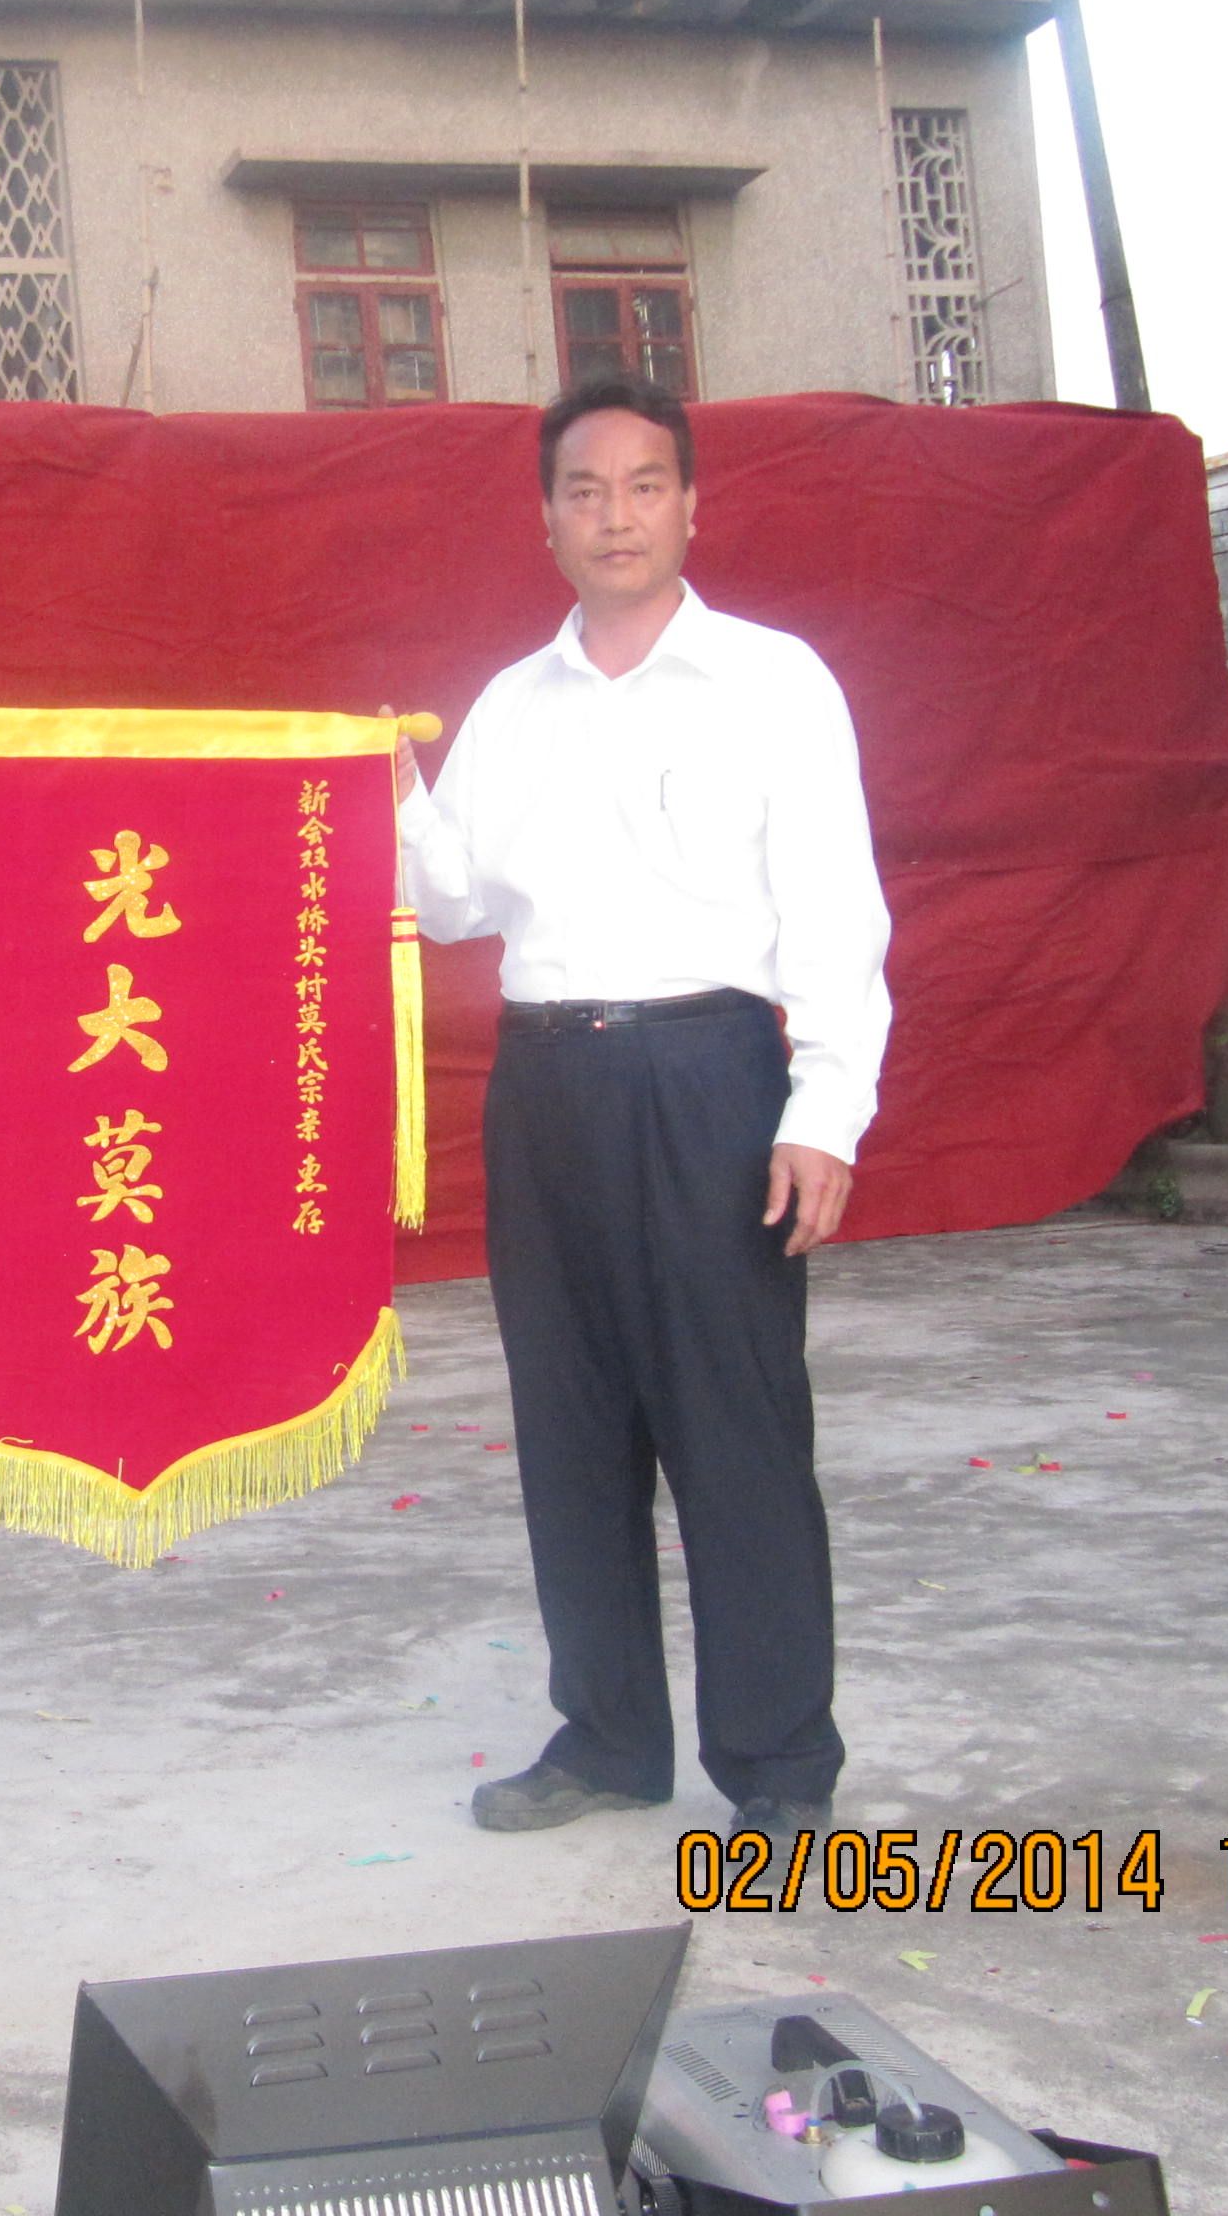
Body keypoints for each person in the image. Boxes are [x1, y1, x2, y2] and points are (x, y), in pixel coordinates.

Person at [398, 375, 891, 1849]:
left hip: (709, 1078)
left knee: (736, 1426)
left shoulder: (773, 683)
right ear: (546, 521)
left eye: (644, 484)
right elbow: (450, 902)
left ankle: (781, 1765)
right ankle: (609, 1738)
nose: (615, 515)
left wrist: (827, 1108)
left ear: (690, 506)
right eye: (585, 490)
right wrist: (381, 788)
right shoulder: (510, 704)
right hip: (547, 1084)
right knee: (571, 1428)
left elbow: (837, 908)